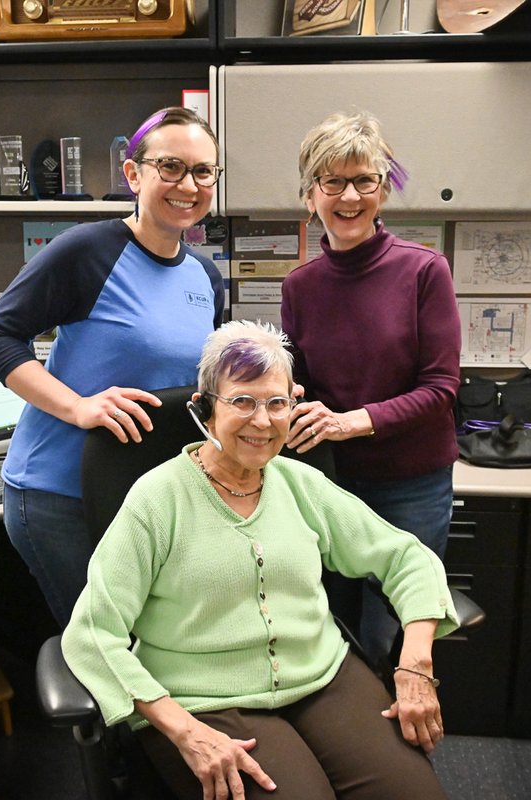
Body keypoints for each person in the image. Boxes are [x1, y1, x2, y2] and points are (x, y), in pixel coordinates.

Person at [62, 320, 460, 800]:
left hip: (324, 678)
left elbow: (406, 558)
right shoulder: (156, 499)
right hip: (205, 700)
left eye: (277, 403)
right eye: (243, 402)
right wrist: (183, 729)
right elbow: (92, 633)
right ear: (206, 409)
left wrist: (414, 662)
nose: (263, 421)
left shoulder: (299, 483)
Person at [0, 107, 225, 627]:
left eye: (204, 171)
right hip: (59, 495)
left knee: (152, 640)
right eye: (171, 167)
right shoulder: (87, 251)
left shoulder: (204, 275)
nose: (189, 184)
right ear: (134, 174)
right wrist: (79, 406)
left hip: (142, 497)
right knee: (107, 647)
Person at [280, 110, 462, 668]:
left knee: (394, 635)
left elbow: (442, 387)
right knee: (328, 630)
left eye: (365, 180)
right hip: (330, 483)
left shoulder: (424, 271)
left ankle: (400, 744)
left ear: (384, 187)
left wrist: (351, 420)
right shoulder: (300, 287)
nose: (349, 196)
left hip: (410, 485)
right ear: (310, 193)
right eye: (333, 182)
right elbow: (300, 384)